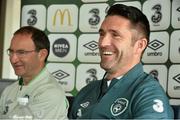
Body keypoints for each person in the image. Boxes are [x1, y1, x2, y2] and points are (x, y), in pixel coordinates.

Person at [69, 4, 174, 119]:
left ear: (139, 45)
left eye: (115, 35)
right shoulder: (87, 91)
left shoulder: (147, 93)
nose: (103, 43)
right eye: (102, 34)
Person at [0, 26, 69, 119]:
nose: (13, 59)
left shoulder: (50, 93)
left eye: (21, 52)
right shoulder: (9, 90)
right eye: (11, 52)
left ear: (42, 55)